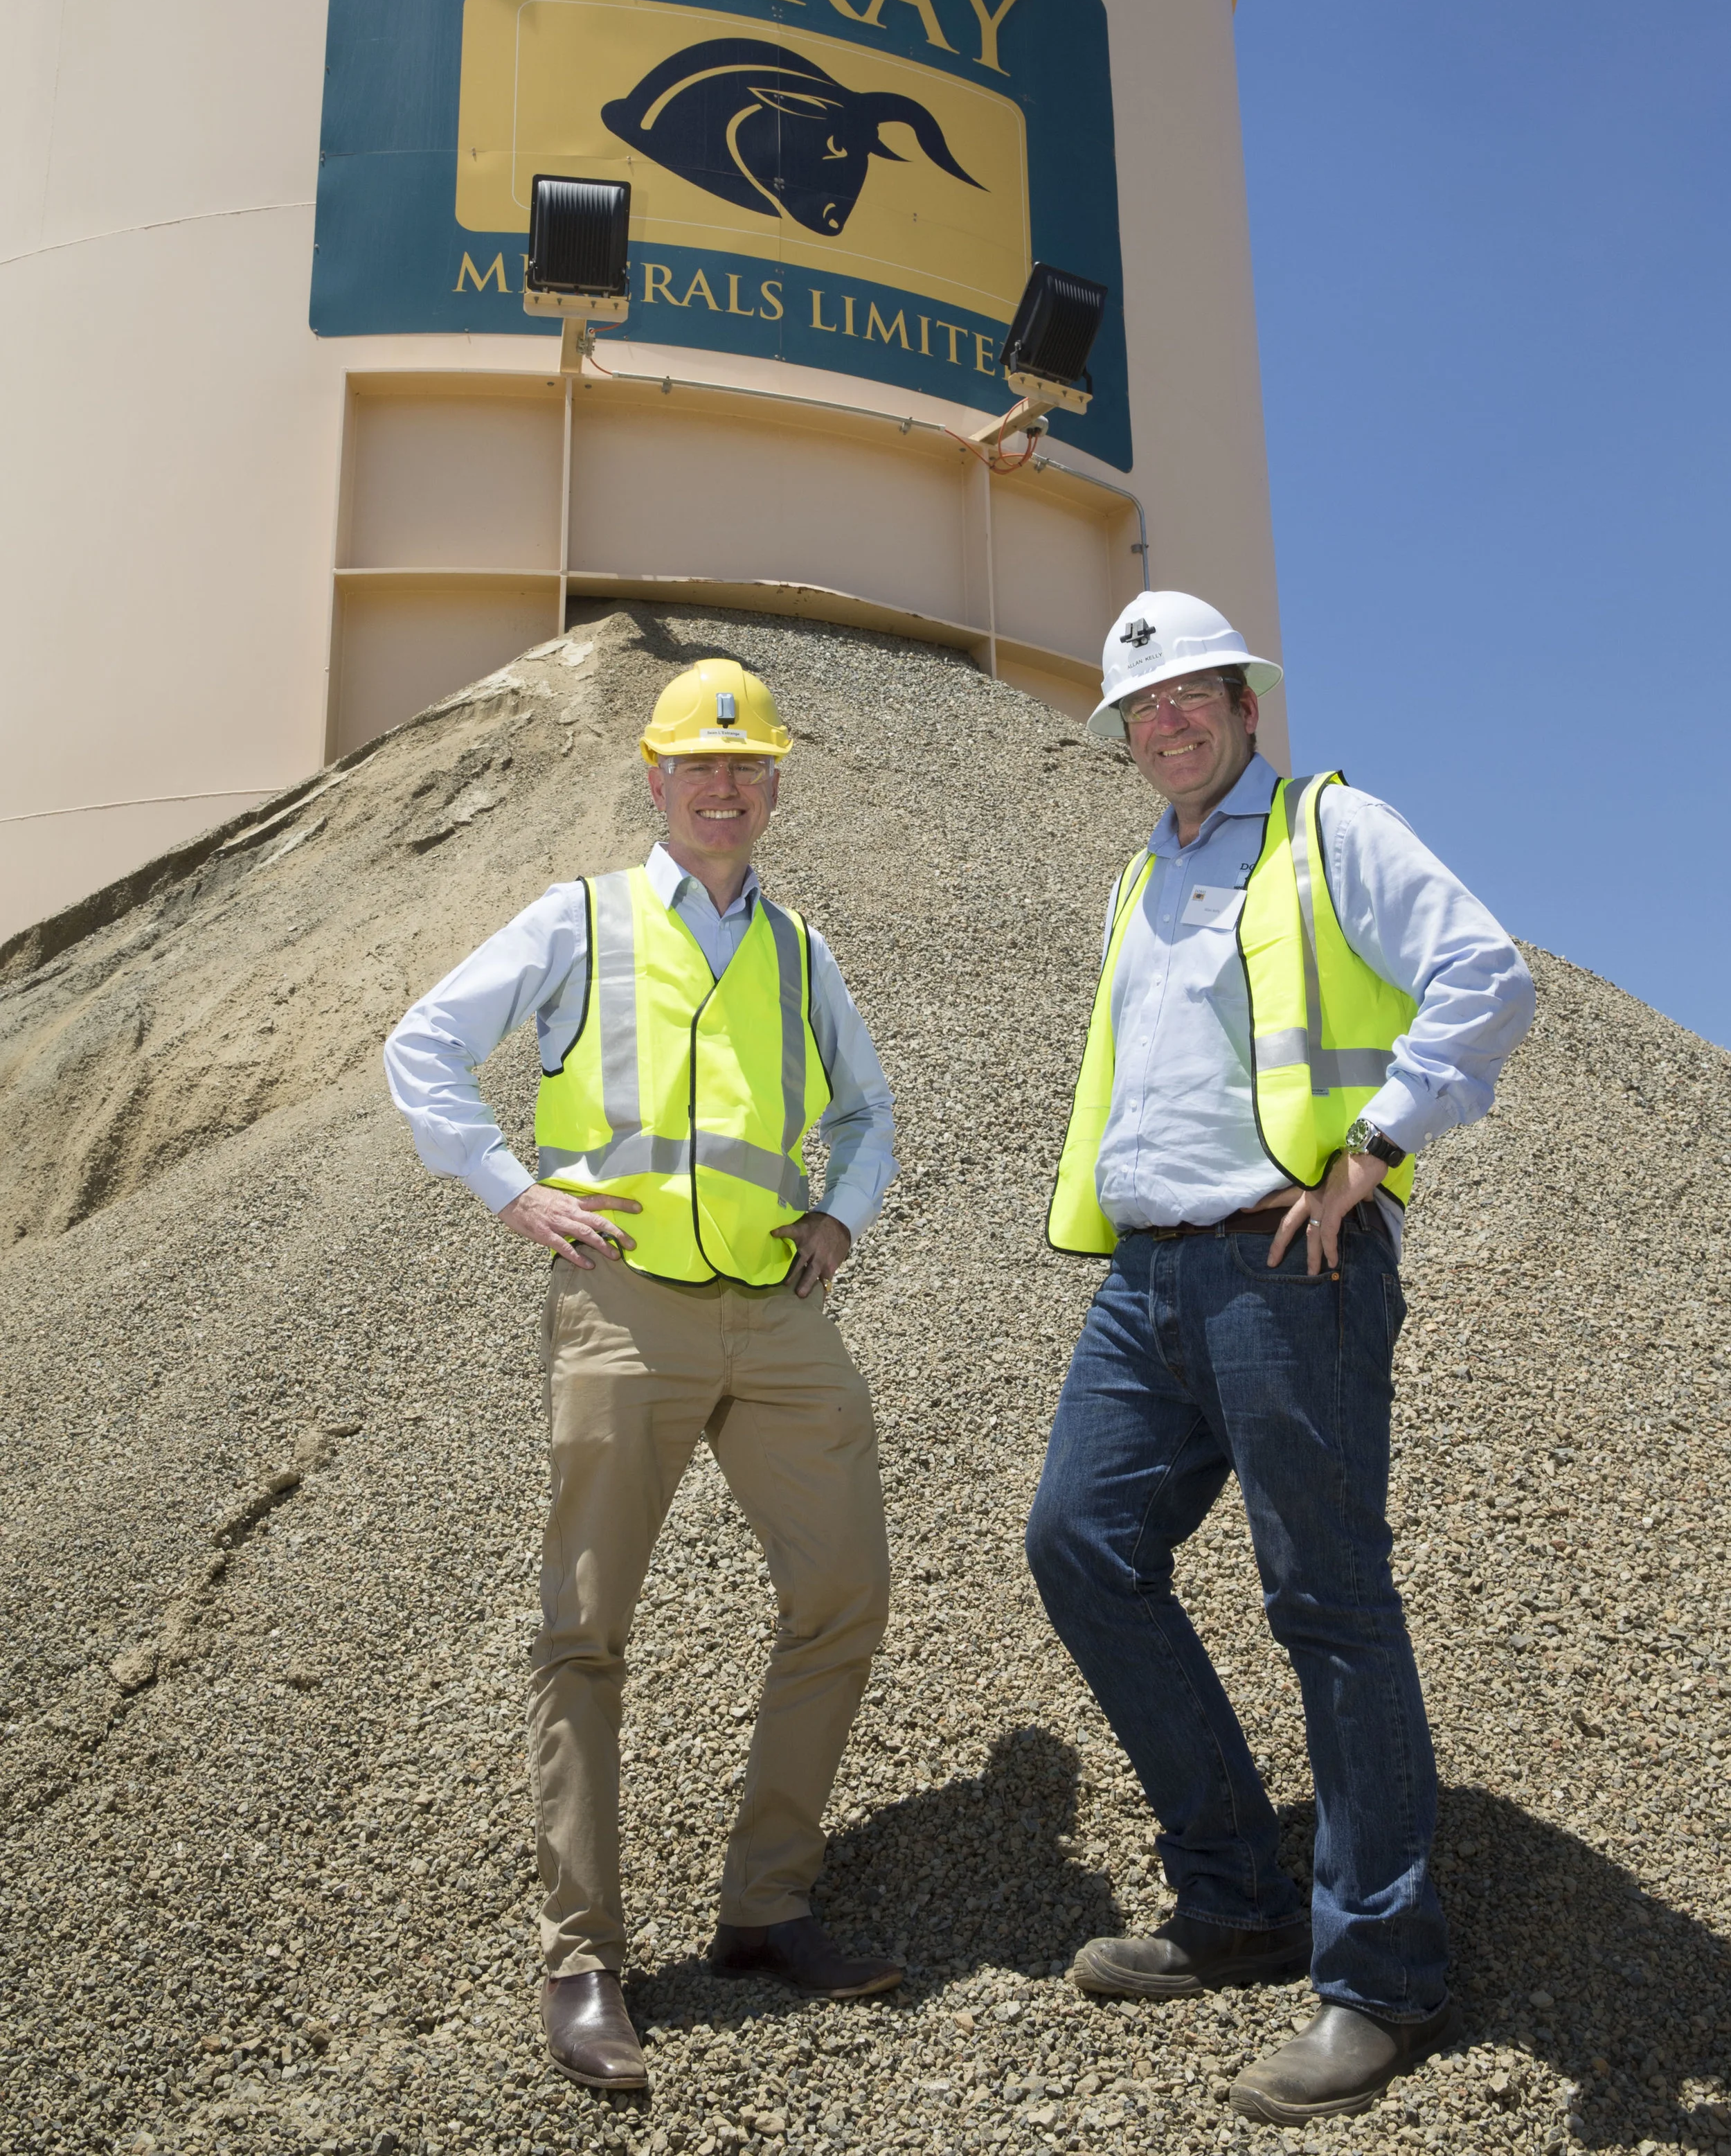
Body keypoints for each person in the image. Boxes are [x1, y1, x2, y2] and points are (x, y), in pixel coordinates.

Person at [1025, 591, 1534, 2128]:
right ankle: (1238, 1894)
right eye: (1143, 707)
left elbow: (1485, 974)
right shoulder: (1140, 879)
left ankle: (1381, 1975)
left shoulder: (1329, 829)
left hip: (1288, 1264)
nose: (1167, 720)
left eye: (1192, 693)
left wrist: (1373, 1146)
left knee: (1326, 1598)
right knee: (1079, 1543)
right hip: (1149, 1278)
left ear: (1247, 704)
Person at [384, 656, 902, 2095]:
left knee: (843, 1591)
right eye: (699, 767)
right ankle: (583, 1960)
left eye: (749, 768)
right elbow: (424, 1045)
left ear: (774, 786)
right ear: (656, 781)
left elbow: (867, 1111)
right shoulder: (581, 920)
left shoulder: (802, 953)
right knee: (585, 1628)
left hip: (777, 1310)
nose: (724, 788)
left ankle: (767, 1906)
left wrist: (842, 1215)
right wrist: (508, 1186)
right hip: (623, 1306)